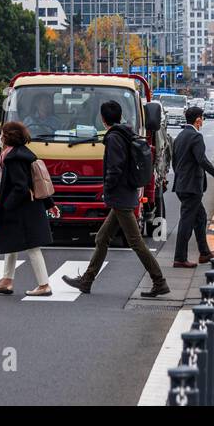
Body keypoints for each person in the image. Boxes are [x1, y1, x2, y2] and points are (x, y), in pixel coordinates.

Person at [62, 101, 170, 298]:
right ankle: (87, 280)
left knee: (136, 242)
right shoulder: (125, 133)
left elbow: (115, 168)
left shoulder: (114, 138)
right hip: (124, 194)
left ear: (103, 119)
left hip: (120, 197)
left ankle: (159, 281)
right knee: (102, 237)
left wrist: (107, 189)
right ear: (119, 116)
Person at [0, 121, 55, 296]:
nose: (0, 137)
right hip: (27, 206)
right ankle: (7, 280)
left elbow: (21, 186)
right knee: (11, 242)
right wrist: (49, 204)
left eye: (2, 134)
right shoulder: (22, 153)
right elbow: (35, 182)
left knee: (32, 246)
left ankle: (44, 285)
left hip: (22, 209)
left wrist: (7, 205)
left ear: (8, 136)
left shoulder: (13, 158)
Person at [170, 106, 214, 268]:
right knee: (186, 222)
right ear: (198, 120)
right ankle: (180, 258)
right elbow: (202, 161)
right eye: (202, 118)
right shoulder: (196, 137)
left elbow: (175, 162)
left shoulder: (179, 136)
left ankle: (204, 252)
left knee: (200, 218)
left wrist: (181, 178)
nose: (203, 121)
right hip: (192, 187)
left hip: (182, 185)